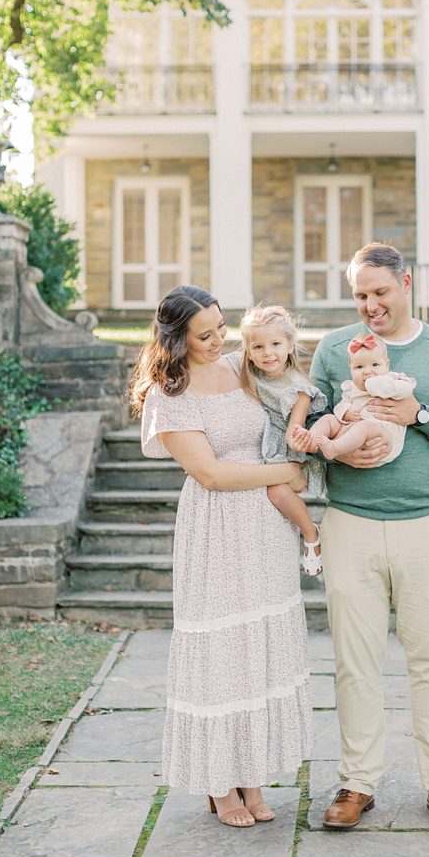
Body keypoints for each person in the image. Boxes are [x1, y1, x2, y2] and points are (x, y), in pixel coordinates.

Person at [304, 243, 429, 831]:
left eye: (380, 292)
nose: (370, 306)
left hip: (426, 526)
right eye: (360, 295)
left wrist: (419, 415)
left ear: (406, 283)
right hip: (351, 525)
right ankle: (357, 784)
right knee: (353, 661)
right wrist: (334, 440)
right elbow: (309, 422)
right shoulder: (336, 349)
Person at [129, 285, 312, 828]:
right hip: (216, 527)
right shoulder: (171, 392)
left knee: (259, 646)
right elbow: (209, 473)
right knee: (222, 648)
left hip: (266, 528)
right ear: (176, 339)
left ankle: (250, 773)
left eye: (221, 328)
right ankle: (217, 783)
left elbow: (298, 386)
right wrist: (285, 473)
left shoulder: (242, 365)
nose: (218, 341)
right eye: (204, 335)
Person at [240, 303, 327, 576]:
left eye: (276, 344)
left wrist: (298, 440)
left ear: (290, 345)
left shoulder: (298, 387)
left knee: (276, 491)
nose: (268, 353)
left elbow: (294, 429)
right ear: (249, 352)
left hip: (289, 450)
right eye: (258, 347)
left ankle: (311, 534)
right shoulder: (247, 375)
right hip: (259, 443)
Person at [292, 332, 416, 464]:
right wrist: (347, 412)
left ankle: (334, 448)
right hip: (351, 431)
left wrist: (378, 385)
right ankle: (311, 440)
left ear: (386, 365)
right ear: (350, 369)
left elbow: (406, 391)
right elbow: (340, 407)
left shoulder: (393, 379)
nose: (367, 371)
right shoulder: (351, 388)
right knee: (329, 419)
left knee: (365, 426)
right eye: (359, 367)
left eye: (375, 365)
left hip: (382, 437)